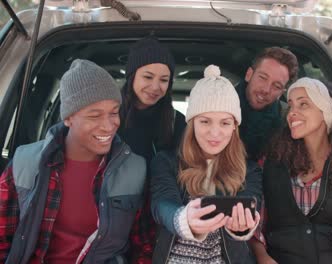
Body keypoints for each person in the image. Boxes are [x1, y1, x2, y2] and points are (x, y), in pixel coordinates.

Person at [0, 59, 146, 263]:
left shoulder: (137, 170)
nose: (108, 125)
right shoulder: (24, 163)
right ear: (68, 118)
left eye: (114, 112)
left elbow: (143, 248)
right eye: (94, 116)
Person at [250, 77, 332, 264]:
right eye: (290, 106)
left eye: (303, 105)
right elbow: (254, 228)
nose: (292, 113)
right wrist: (263, 258)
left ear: (326, 111)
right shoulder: (270, 164)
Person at [150, 65, 262, 264]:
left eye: (225, 123)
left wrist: (242, 226)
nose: (215, 133)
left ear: (235, 127)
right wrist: (183, 218)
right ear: (192, 123)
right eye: (205, 122)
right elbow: (162, 204)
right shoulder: (166, 162)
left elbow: (251, 206)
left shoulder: (250, 170)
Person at [119, 37, 186, 262]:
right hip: (116, 210)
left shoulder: (178, 123)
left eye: (164, 80)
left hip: (159, 214)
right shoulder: (109, 117)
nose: (156, 87)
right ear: (132, 76)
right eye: (148, 77)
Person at [236, 47, 299, 160]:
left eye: (276, 86)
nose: (266, 90)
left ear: (281, 93)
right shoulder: (217, 106)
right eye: (263, 78)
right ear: (249, 74)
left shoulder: (287, 121)